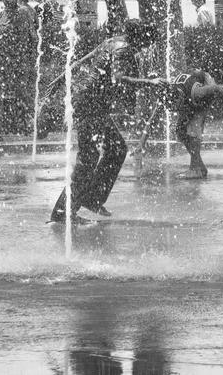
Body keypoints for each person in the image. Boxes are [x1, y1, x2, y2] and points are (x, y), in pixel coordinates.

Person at [49, 20, 151, 223]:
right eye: (146, 41)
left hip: (90, 103)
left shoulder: (112, 41)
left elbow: (83, 60)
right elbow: (119, 77)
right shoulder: (124, 50)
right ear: (139, 38)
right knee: (88, 157)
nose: (147, 45)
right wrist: (151, 82)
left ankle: (92, 198)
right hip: (89, 105)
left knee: (116, 148)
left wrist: (62, 77)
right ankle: (62, 213)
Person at [173, 68, 223, 179]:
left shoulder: (198, 93)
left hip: (206, 84)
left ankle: (195, 169)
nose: (175, 108)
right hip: (191, 90)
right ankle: (200, 167)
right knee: (181, 132)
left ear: (181, 97)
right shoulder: (168, 96)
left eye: (177, 105)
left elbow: (216, 88)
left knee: (193, 132)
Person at [0, 0, 37, 135]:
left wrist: (29, 59)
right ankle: (4, 125)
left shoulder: (22, 13)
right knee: (1, 93)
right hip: (2, 60)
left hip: (17, 60)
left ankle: (24, 125)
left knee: (21, 93)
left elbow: (32, 37)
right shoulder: (2, 14)